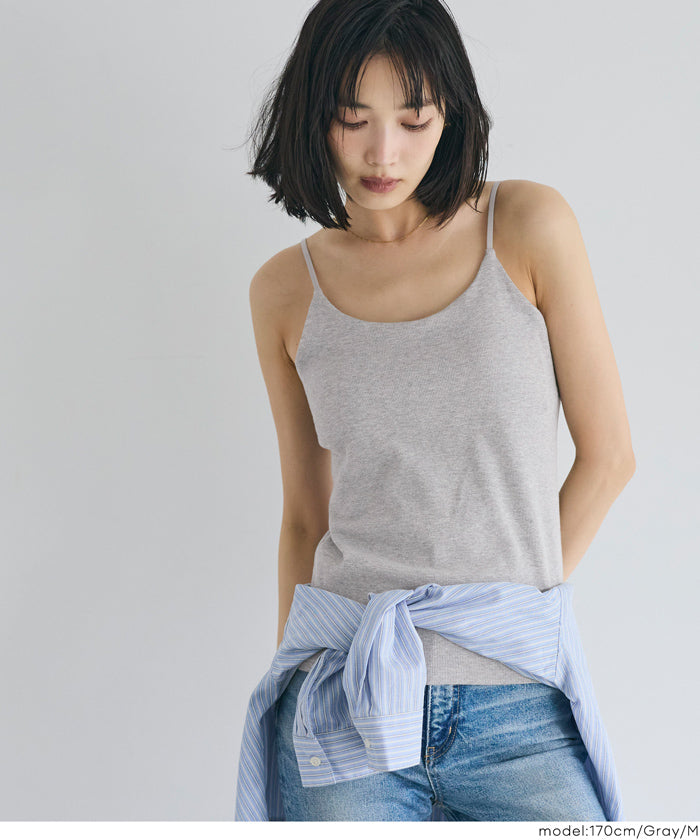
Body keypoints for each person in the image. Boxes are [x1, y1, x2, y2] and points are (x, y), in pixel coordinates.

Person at [242, 0, 635, 822]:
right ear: (313, 115)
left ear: (450, 114)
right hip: (343, 696)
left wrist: (505, 615)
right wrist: (293, 678)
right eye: (353, 119)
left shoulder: (527, 226)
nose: (384, 153)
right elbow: (305, 519)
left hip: (515, 703)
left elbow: (609, 458)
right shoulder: (283, 290)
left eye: (413, 120)